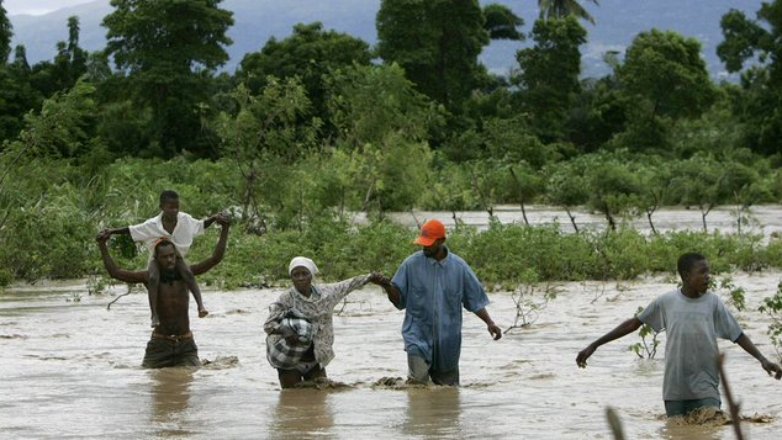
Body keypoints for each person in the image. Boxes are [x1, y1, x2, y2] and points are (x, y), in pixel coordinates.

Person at [576, 252, 782, 418]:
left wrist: (762, 359)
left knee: (711, 427)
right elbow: (633, 324)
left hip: (706, 386)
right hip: (675, 387)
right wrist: (594, 344)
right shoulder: (666, 301)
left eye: (708, 272)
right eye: (701, 272)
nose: (707, 277)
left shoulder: (713, 303)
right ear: (685, 276)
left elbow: (738, 335)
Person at [379, 219, 502, 386]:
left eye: (429, 244)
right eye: (423, 243)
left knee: (448, 392)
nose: (425, 247)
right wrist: (387, 286)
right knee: (418, 387)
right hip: (417, 336)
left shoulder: (459, 268)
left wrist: (490, 322)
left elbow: (474, 300)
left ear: (441, 241)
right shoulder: (411, 265)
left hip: (448, 339)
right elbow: (399, 301)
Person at [96, 215, 230, 368]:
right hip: (159, 345)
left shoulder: (185, 275)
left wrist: (225, 229)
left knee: (190, 381)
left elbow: (215, 259)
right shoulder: (149, 278)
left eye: (172, 256)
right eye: (165, 257)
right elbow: (116, 272)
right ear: (157, 259)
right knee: (151, 379)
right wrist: (102, 246)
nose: (170, 260)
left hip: (186, 345)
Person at [98, 190, 226, 327]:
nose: (174, 210)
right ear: (162, 208)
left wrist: (215, 219)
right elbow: (131, 230)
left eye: (177, 207)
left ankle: (200, 306)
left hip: (178, 257)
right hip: (156, 258)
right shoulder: (152, 225)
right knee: (153, 277)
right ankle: (154, 315)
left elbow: (202, 226)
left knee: (188, 274)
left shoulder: (186, 220)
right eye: (171, 207)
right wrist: (111, 232)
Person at [264, 256, 389, 388]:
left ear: (311, 276)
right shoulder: (287, 298)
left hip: (317, 359)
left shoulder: (327, 294)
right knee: (290, 400)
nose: (300, 278)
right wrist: (286, 331)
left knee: (320, 404)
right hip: (289, 359)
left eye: (304, 274)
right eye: (296, 275)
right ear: (291, 278)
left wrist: (371, 278)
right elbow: (268, 325)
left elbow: (349, 284)